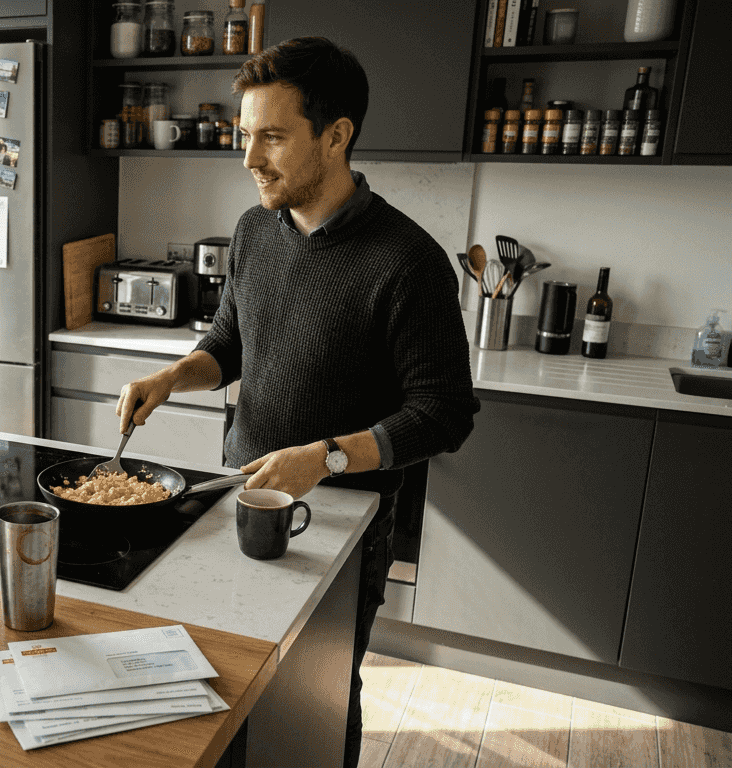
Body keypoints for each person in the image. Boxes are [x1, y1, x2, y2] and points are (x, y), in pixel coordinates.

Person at [114, 37, 478, 768]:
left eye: (273, 137)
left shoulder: (408, 262)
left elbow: (444, 411)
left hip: (338, 526)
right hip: (234, 498)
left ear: (337, 136)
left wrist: (330, 456)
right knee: (224, 678)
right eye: (246, 137)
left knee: (317, 699)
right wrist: (168, 378)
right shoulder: (254, 232)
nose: (250, 160)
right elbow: (228, 346)